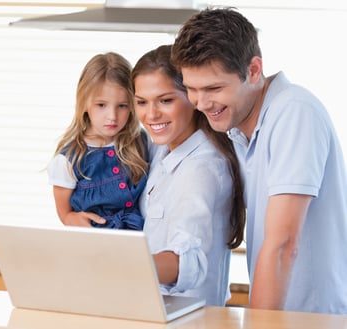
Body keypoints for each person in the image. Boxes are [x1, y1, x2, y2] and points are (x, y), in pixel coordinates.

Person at [171, 7, 347, 314]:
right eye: (191, 89)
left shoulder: (293, 111)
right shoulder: (240, 129)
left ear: (254, 70)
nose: (201, 103)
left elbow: (282, 244)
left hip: (313, 318)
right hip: (283, 316)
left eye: (213, 88)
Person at [132, 44, 246, 306]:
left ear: (193, 99)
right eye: (141, 102)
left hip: (190, 319)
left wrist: (118, 268)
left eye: (166, 100)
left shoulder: (201, 169)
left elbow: (188, 260)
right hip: (155, 313)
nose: (151, 115)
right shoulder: (163, 149)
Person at [47, 52, 149, 230]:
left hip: (137, 241)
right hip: (94, 243)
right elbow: (65, 214)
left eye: (122, 106)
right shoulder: (69, 159)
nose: (112, 116)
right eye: (101, 105)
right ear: (84, 102)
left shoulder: (141, 142)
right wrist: (75, 219)